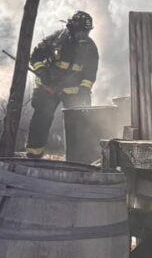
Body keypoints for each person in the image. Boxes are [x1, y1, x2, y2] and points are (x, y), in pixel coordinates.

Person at [25, 11, 98, 157]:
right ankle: (34, 154)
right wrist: (42, 71)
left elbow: (90, 73)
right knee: (42, 118)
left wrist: (84, 90)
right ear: (72, 28)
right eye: (81, 32)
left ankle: (78, 157)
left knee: (78, 122)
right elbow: (35, 56)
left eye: (86, 32)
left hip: (73, 91)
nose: (84, 36)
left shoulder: (90, 48)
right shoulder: (57, 39)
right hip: (48, 87)